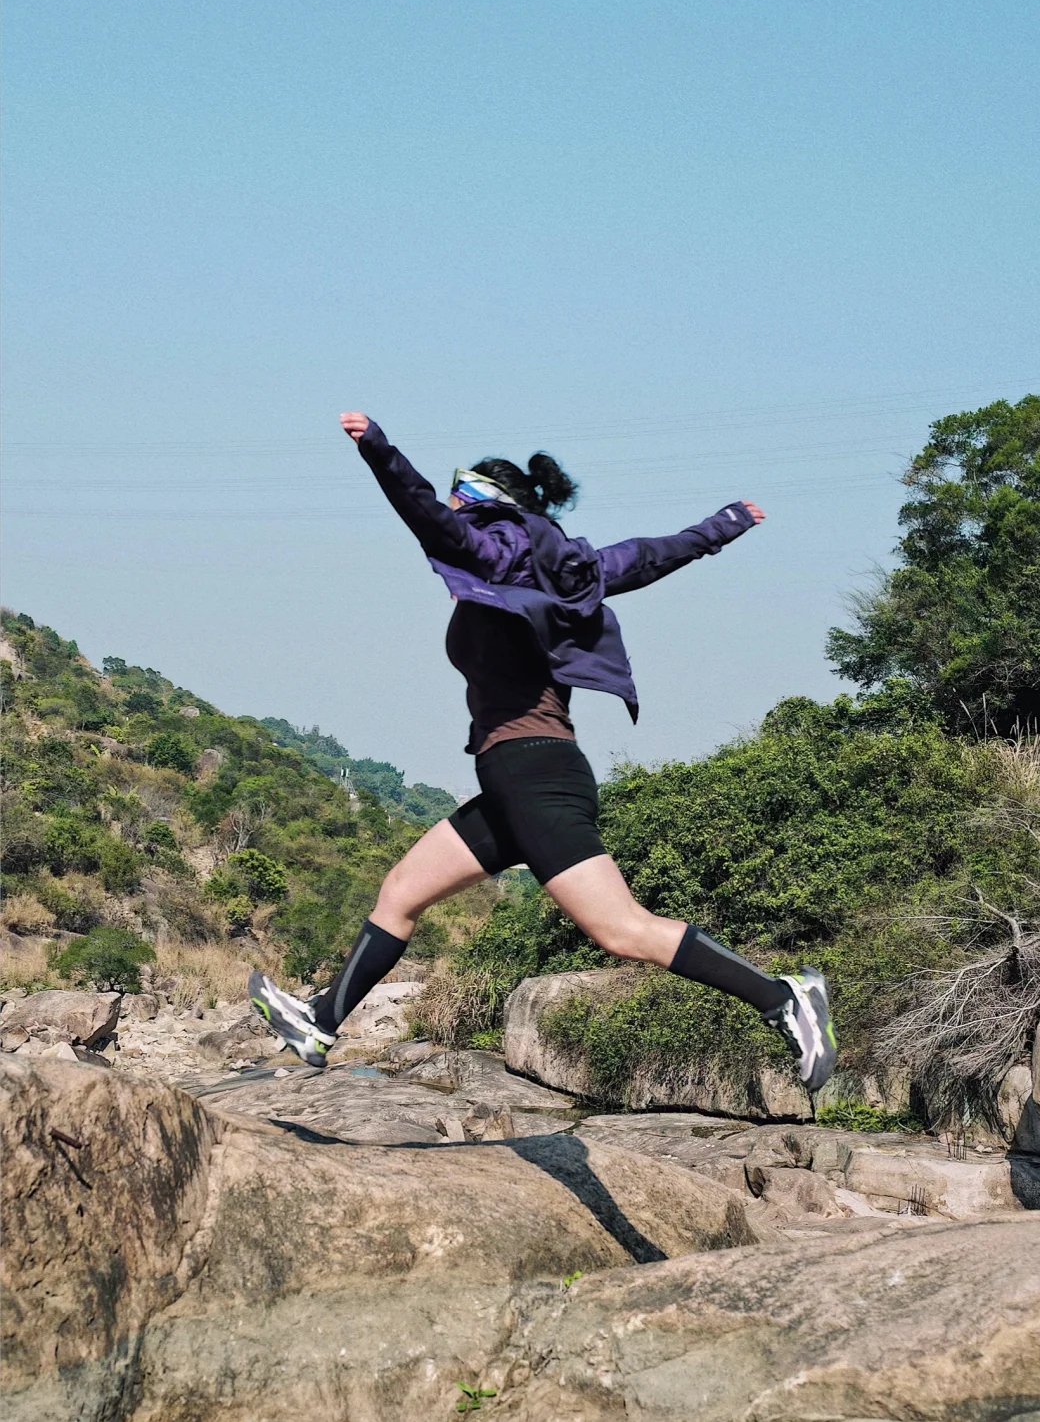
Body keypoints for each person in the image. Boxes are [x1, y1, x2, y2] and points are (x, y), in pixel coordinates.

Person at [249, 412, 837, 1091]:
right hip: (517, 778)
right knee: (402, 891)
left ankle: (783, 997)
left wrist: (379, 451)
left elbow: (425, 517)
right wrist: (723, 524)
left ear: (477, 503)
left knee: (622, 929)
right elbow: (646, 556)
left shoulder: (494, 553)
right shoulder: (570, 568)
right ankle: (322, 1020)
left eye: (457, 502)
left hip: (533, 774)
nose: (451, 514)